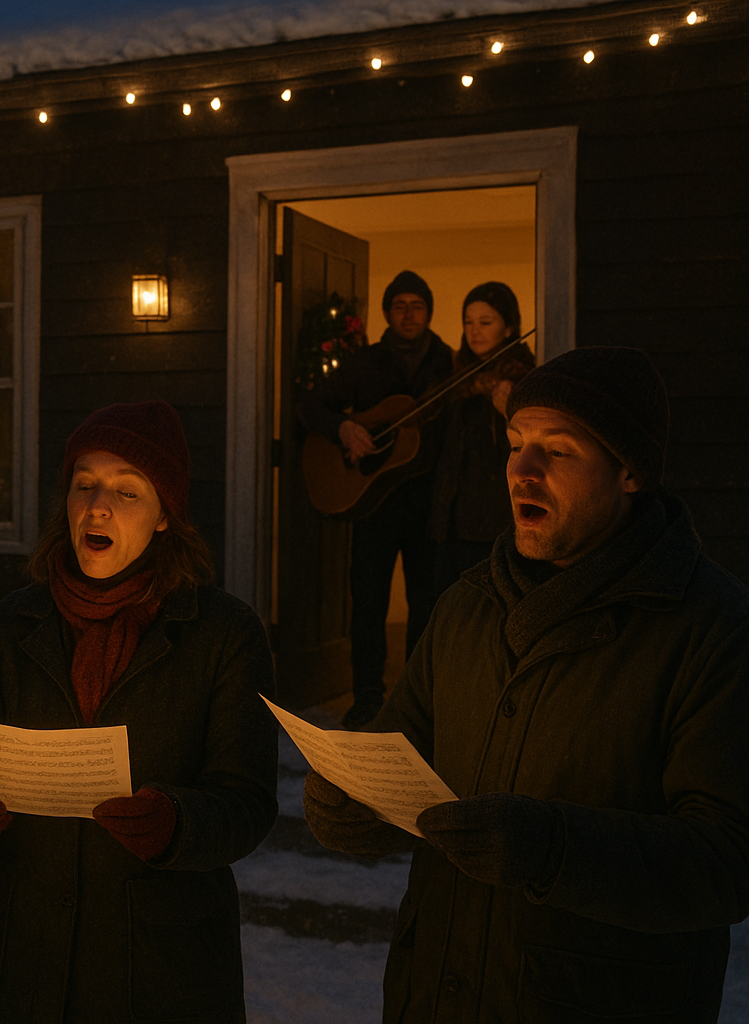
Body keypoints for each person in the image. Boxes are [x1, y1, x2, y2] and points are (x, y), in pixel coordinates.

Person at [303, 347, 749, 1021]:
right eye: (515, 444)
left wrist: (552, 849)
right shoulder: (465, 606)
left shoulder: (712, 629)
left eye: (558, 451)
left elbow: (728, 860)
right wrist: (353, 804)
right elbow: (403, 756)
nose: (521, 470)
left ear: (629, 471)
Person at [0, 400, 279, 1023]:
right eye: (84, 484)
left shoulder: (224, 635)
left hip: (160, 976)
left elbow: (248, 801)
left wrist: (176, 822)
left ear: (165, 516)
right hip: (22, 969)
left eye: (127, 491)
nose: (98, 506)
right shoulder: (12, 623)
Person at [298, 270, 454, 728]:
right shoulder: (364, 362)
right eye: (399, 306)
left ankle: (415, 700)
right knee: (368, 604)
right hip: (374, 504)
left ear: (428, 312)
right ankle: (367, 697)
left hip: (429, 505)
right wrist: (343, 428)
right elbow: (312, 405)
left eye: (417, 306)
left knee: (427, 604)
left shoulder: (448, 364)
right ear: (387, 312)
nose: (408, 314)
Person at [427, 282, 535, 593]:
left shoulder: (524, 377)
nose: (475, 331)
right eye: (468, 322)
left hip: (496, 524)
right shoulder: (456, 375)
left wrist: (509, 412)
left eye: (485, 322)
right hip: (450, 522)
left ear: (508, 327)